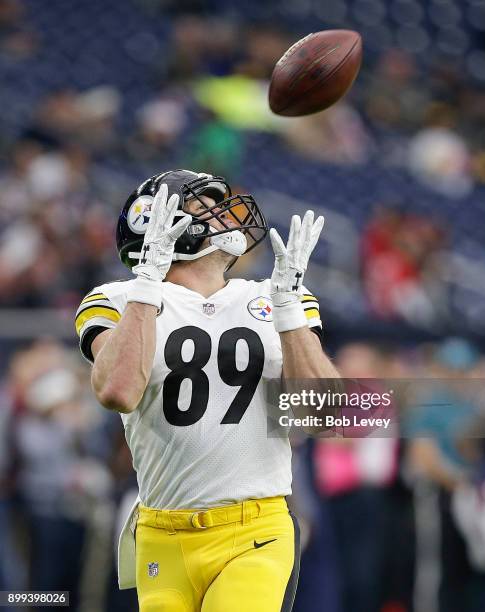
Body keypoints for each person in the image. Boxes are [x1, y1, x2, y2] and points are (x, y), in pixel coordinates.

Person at [75, 169, 340, 612]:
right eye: (205, 207)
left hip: (255, 529)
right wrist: (147, 286)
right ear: (160, 224)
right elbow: (118, 391)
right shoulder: (117, 298)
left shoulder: (273, 296)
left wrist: (289, 313)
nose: (227, 216)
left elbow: (325, 416)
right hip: (163, 535)